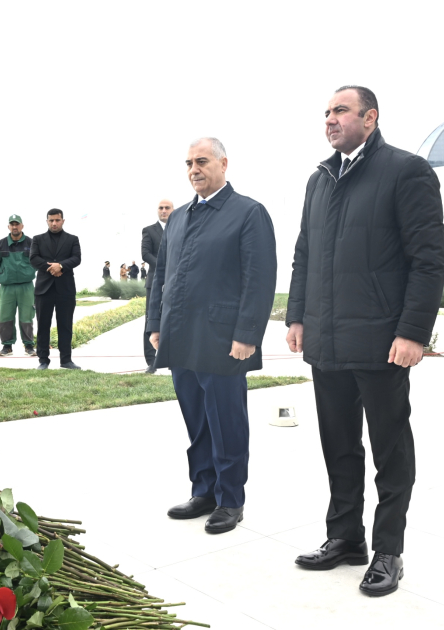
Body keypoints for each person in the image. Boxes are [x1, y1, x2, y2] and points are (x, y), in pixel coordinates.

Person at [285, 86, 444, 597]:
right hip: (327, 340)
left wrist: (413, 331)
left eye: (340, 111)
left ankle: (389, 550)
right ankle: (345, 538)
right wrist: (296, 317)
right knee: (338, 445)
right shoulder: (319, 179)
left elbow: (428, 258)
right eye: (326, 113)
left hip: (381, 340)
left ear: (369, 118)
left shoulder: (406, 171)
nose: (329, 120)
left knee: (390, 448)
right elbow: (304, 254)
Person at [148, 137, 277, 535]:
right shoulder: (179, 217)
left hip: (223, 338)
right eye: (188, 163)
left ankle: (230, 499)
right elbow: (161, 277)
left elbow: (259, 279)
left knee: (226, 420)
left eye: (201, 161)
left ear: (223, 163)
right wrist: (155, 324)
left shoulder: (248, 213)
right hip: (181, 334)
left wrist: (247, 334)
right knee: (197, 420)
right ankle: (203, 490)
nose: (194, 169)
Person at [30, 209, 82, 370]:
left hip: (65, 289)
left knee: (65, 325)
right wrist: (52, 268)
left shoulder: (72, 239)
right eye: (51, 220)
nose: (54, 223)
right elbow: (34, 258)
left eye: (57, 220)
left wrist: (61, 266)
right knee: (43, 325)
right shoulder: (38, 239)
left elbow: (76, 258)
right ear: (47, 221)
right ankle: (43, 360)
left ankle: (66, 360)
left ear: (63, 221)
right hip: (44, 290)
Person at [0, 214, 36, 357]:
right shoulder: (1, 244)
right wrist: (5, 272)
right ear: (9, 227)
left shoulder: (31, 243)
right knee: (5, 316)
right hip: (7, 287)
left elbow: (37, 261)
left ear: (22, 226)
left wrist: (28, 271)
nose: (15, 227)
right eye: (12, 224)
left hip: (26, 287)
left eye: (17, 224)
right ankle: (7, 346)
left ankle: (29, 346)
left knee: (27, 316)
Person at [142, 199, 173, 373]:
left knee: (172, 319)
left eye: (167, 208)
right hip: (155, 281)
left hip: (176, 282)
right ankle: (151, 361)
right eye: (160, 208)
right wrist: (165, 267)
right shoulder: (149, 231)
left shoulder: (180, 229)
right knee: (151, 320)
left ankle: (171, 357)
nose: (163, 211)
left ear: (173, 210)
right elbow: (145, 254)